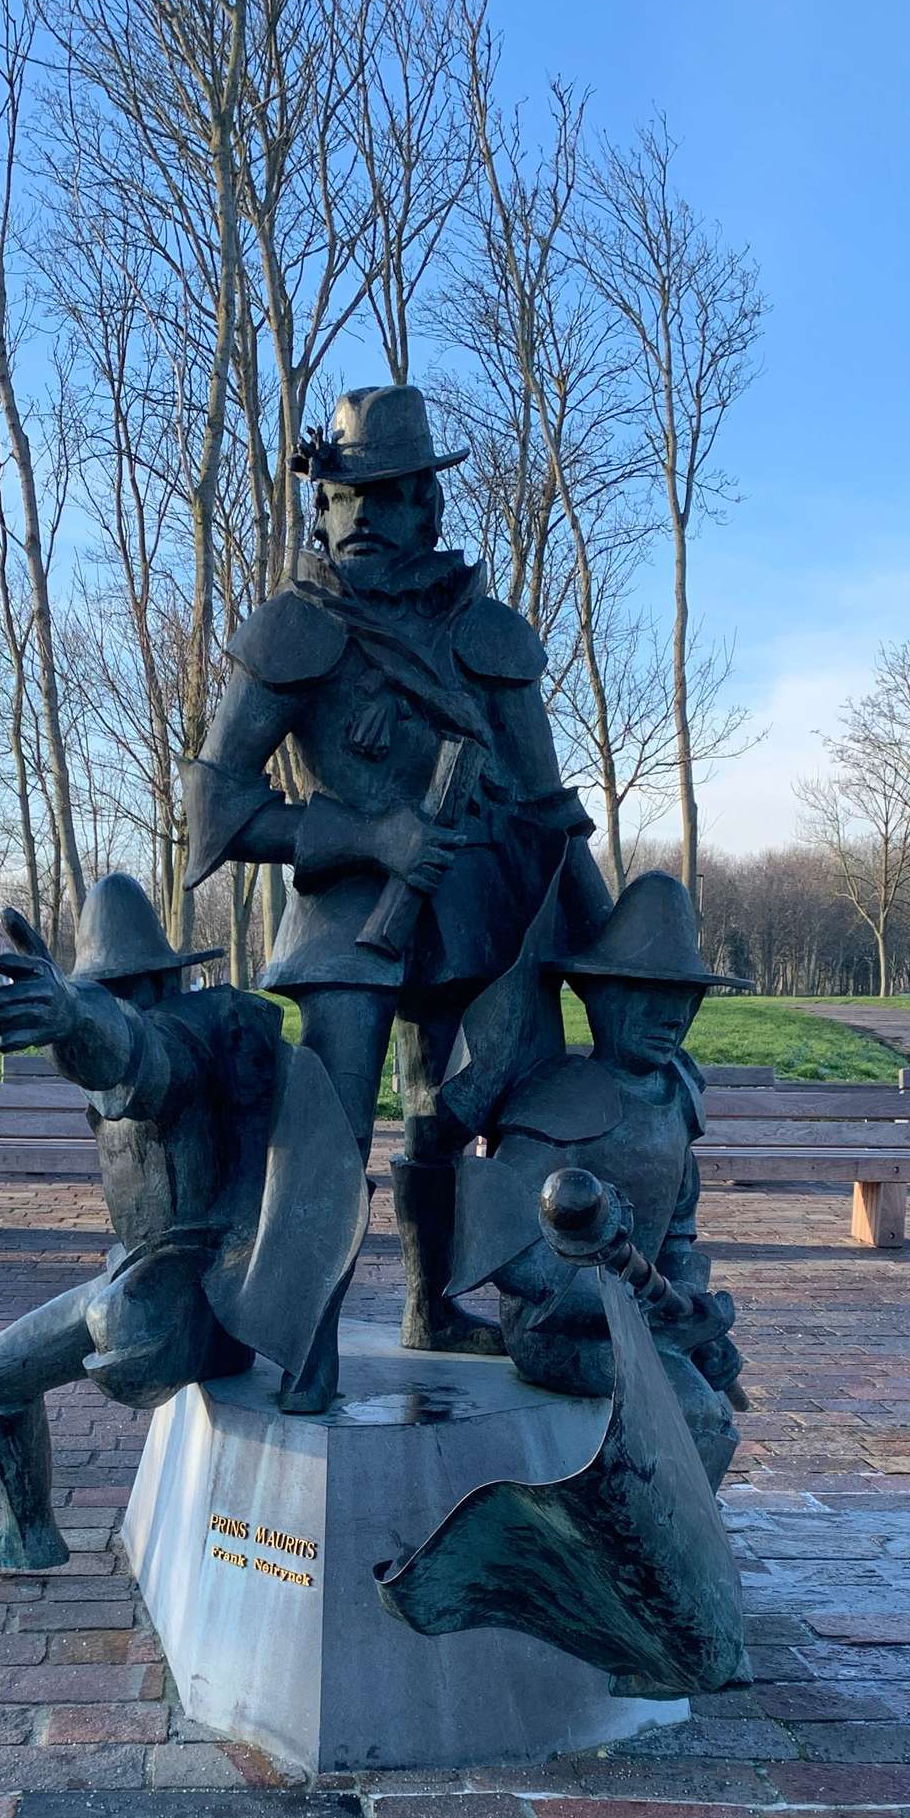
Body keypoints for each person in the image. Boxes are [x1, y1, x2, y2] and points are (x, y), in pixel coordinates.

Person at [184, 382, 607, 1408]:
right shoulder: (294, 628)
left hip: (476, 911)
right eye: (343, 496)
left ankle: (435, 1303)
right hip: (349, 917)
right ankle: (306, 1333)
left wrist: (612, 960)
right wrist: (370, 833)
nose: (361, 516)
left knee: (457, 1115)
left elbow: (547, 807)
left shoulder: (490, 635)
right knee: (328, 1129)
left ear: (428, 502)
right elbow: (218, 805)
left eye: (384, 494)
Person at [0, 877, 367, 1568]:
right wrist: (74, 1021)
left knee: (120, 1322)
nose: (120, 1000)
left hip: (211, 1299)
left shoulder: (198, 1031)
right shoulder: (106, 1047)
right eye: (101, 988)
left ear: (164, 982)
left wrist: (79, 1016)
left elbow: (147, 1057)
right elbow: (112, 1057)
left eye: (126, 986)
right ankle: (29, 1535)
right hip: (141, 1274)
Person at [446, 870, 750, 1488]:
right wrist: (625, 1312)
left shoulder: (678, 1096)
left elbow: (679, 1229)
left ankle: (666, 1521)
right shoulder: (560, 1099)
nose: (670, 1016)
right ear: (601, 995)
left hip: (646, 1314)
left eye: (683, 998)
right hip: (556, 1330)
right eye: (649, 995)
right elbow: (508, 1249)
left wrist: (688, 1306)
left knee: (709, 1388)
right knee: (695, 1411)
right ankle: (631, 1537)